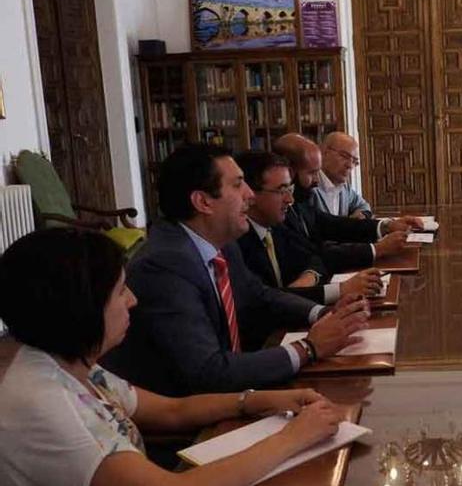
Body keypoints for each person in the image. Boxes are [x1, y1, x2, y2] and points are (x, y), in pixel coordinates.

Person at [0, 228, 345, 486]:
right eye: (121, 291)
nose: (133, 300)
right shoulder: (42, 402)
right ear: (80, 307)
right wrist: (294, 437)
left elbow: (171, 411)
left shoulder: (64, 359)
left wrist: (262, 400)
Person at [102, 144, 369, 396]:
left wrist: (324, 315)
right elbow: (208, 372)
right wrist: (308, 348)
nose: (250, 195)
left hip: (234, 393)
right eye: (238, 185)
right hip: (192, 424)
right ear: (203, 202)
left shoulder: (219, 243)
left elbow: (260, 295)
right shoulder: (164, 265)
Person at [236, 151, 383, 304]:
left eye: (289, 190)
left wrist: (308, 276)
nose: (290, 199)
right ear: (250, 195)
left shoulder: (274, 228)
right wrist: (340, 290)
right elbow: (263, 300)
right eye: (281, 190)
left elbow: (314, 257)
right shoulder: (236, 241)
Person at [273, 133, 421, 273]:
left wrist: (386, 226)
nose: (316, 180)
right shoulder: (278, 212)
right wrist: (376, 249)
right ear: (289, 172)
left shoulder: (300, 202)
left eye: (354, 161)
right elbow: (313, 252)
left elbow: (332, 224)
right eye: (312, 173)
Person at [312, 132, 373, 218]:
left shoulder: (345, 189)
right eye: (344, 156)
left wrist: (362, 214)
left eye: (354, 162)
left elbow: (364, 206)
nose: (350, 165)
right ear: (324, 152)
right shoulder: (310, 186)